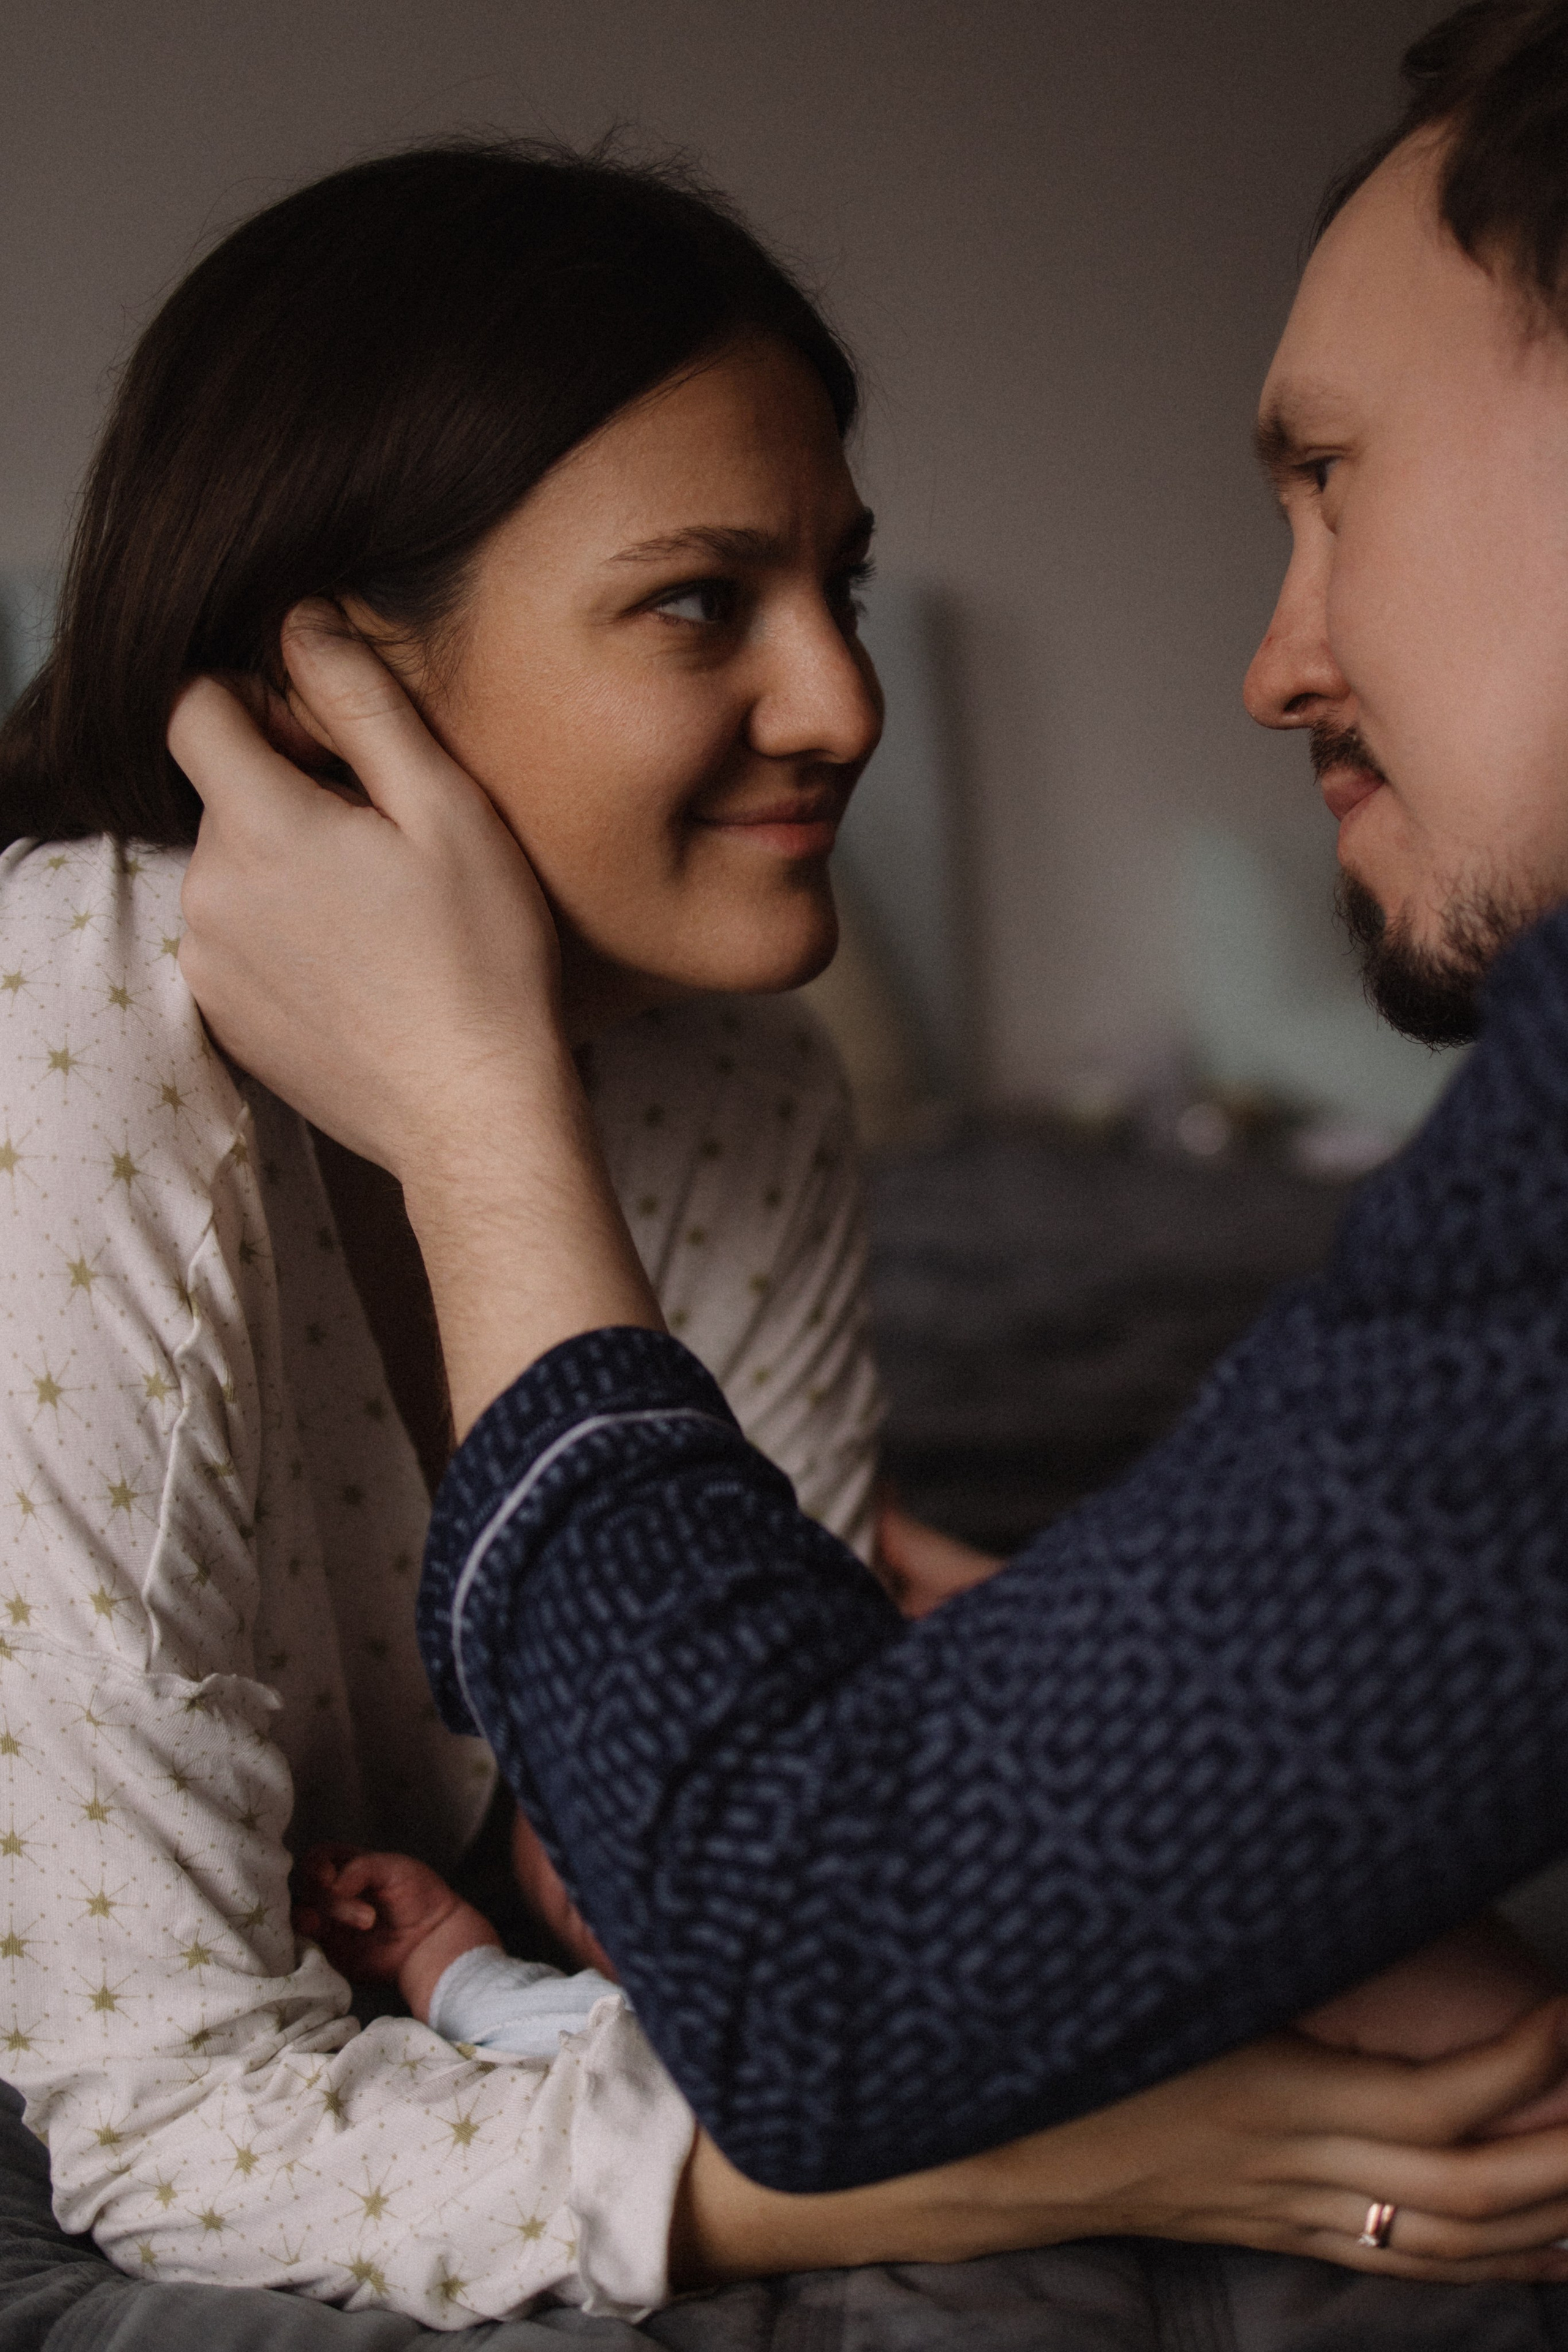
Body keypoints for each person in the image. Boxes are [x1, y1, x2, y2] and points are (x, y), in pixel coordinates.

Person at [168, 0, 1568, 2301]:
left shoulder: (749, 1090)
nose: (849, 709)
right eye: (704, 601)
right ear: (345, 691)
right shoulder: (74, 1041)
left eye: (1334, 471)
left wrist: (485, 1129)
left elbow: (824, 1939)